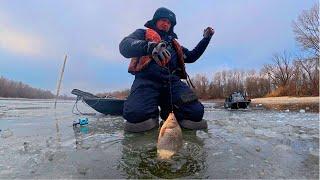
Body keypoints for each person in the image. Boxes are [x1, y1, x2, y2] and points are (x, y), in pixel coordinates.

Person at [119, 7, 214, 132]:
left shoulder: (175, 45)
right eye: (163, 20)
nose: (166, 24)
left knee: (196, 112)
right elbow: (124, 46)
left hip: (172, 83)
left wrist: (206, 39)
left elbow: (191, 56)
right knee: (136, 114)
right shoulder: (142, 34)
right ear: (155, 21)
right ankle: (150, 112)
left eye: (169, 22)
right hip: (146, 81)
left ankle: (168, 110)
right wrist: (150, 47)